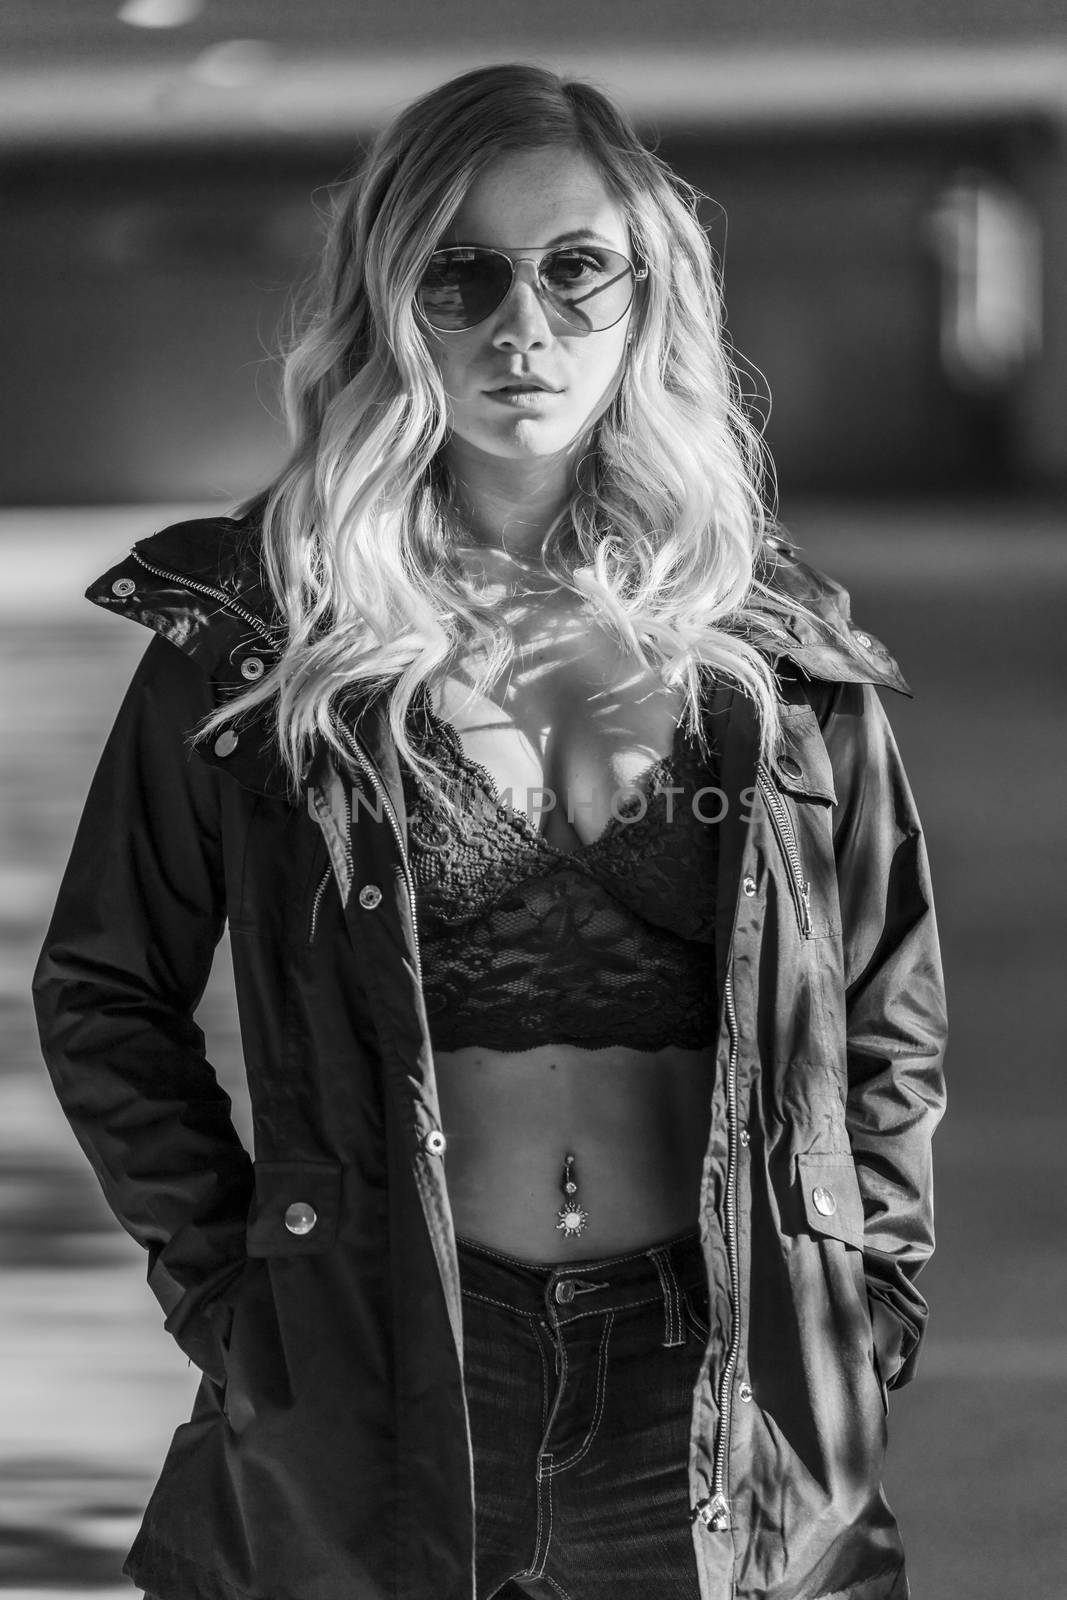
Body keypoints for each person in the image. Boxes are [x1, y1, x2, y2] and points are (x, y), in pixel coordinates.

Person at [32, 62, 947, 1600]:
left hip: (716, 1375)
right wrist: (233, 1304)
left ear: (648, 296)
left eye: (577, 269)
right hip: (384, 1365)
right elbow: (104, 990)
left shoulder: (770, 647)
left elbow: (882, 990)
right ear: (394, 304)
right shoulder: (262, 640)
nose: (524, 326)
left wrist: (873, 1293)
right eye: (462, 274)